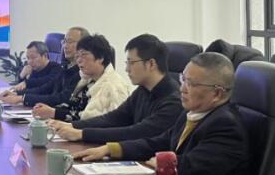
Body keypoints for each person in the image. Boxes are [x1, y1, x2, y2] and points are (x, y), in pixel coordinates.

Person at [74, 52, 250, 175]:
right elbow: (159, 142)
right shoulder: (192, 112)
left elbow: (190, 166)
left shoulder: (226, 125)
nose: (182, 88)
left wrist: (160, 161)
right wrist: (110, 149)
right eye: (183, 79)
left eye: (190, 83)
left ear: (217, 94)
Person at [47, 34, 182, 143]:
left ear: (151, 64)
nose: (126, 69)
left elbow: (137, 132)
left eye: (131, 62)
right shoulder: (143, 90)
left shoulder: (173, 100)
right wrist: (72, 126)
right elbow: (115, 117)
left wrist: (82, 134)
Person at [32, 34, 131, 121]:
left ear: (100, 58)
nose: (79, 60)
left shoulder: (114, 88)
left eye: (84, 55)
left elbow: (99, 123)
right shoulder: (86, 80)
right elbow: (74, 109)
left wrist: (54, 113)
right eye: (78, 56)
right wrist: (51, 111)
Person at [5, 27, 87, 109]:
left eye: (70, 41)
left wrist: (22, 98)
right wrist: (17, 94)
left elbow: (62, 98)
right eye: (64, 41)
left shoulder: (82, 72)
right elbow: (45, 88)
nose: (65, 46)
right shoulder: (65, 67)